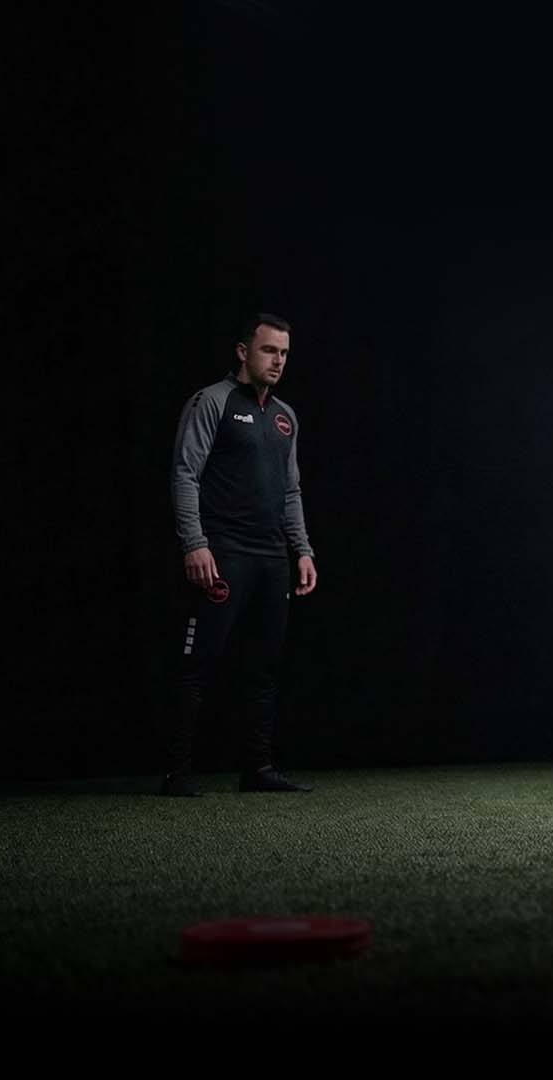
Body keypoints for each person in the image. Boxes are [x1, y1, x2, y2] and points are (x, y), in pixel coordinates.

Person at [163, 313, 317, 796]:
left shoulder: (285, 417)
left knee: (265, 665)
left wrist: (303, 550)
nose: (278, 361)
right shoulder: (212, 402)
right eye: (270, 350)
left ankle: (258, 769)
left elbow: (290, 491)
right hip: (223, 551)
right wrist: (196, 543)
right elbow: (185, 473)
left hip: (272, 559)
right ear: (243, 351)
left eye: (285, 353)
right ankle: (177, 773)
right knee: (199, 663)